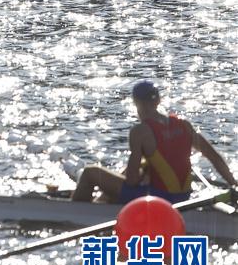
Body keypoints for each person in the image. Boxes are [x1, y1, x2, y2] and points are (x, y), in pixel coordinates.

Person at [71, 80, 237, 203]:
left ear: (136, 102)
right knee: (135, 169)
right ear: (158, 101)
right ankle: (103, 202)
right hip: (184, 197)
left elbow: (131, 181)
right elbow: (215, 157)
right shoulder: (184, 125)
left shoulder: (140, 131)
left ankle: (77, 212)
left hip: (159, 198)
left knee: (90, 172)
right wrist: (233, 184)